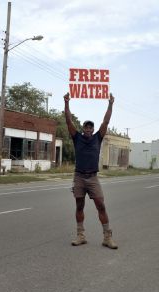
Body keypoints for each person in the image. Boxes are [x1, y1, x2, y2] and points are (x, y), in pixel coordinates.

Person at [64, 92, 118, 250]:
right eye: (86, 127)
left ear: (93, 129)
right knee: (79, 206)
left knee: (101, 206)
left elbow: (106, 121)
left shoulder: (98, 138)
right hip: (79, 177)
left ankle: (107, 237)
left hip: (93, 178)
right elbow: (68, 120)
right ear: (82, 129)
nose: (88, 129)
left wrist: (110, 104)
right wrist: (67, 103)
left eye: (90, 127)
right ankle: (81, 235)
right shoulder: (76, 138)